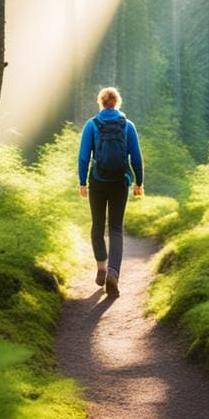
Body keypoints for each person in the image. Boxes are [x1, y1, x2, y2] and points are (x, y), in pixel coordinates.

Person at [77, 86, 144, 298]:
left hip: (97, 181)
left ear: (101, 103)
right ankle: (113, 273)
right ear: (117, 103)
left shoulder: (92, 124)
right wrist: (138, 183)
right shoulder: (128, 125)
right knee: (115, 228)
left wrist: (82, 182)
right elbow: (137, 158)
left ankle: (101, 267)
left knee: (97, 225)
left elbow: (83, 157)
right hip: (119, 183)